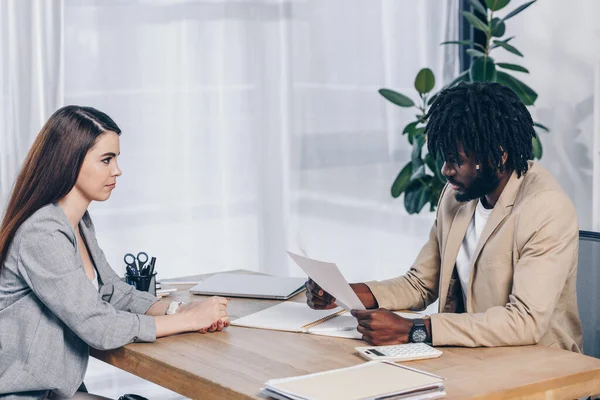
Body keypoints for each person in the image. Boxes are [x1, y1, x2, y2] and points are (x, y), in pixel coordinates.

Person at [307, 81, 582, 352]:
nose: (445, 171)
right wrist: (346, 293)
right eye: (444, 159)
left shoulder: (546, 208)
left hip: (540, 367)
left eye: (456, 160)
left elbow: (525, 321)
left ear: (498, 155)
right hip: (474, 357)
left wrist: (415, 330)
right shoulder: (457, 196)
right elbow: (420, 284)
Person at [0, 106, 230, 399]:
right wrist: (187, 322)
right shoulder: (42, 232)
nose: (117, 170)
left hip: (58, 391)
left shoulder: (78, 222)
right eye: (106, 160)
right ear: (69, 162)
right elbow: (97, 326)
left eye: (116, 159)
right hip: (27, 394)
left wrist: (179, 311)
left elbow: (111, 292)